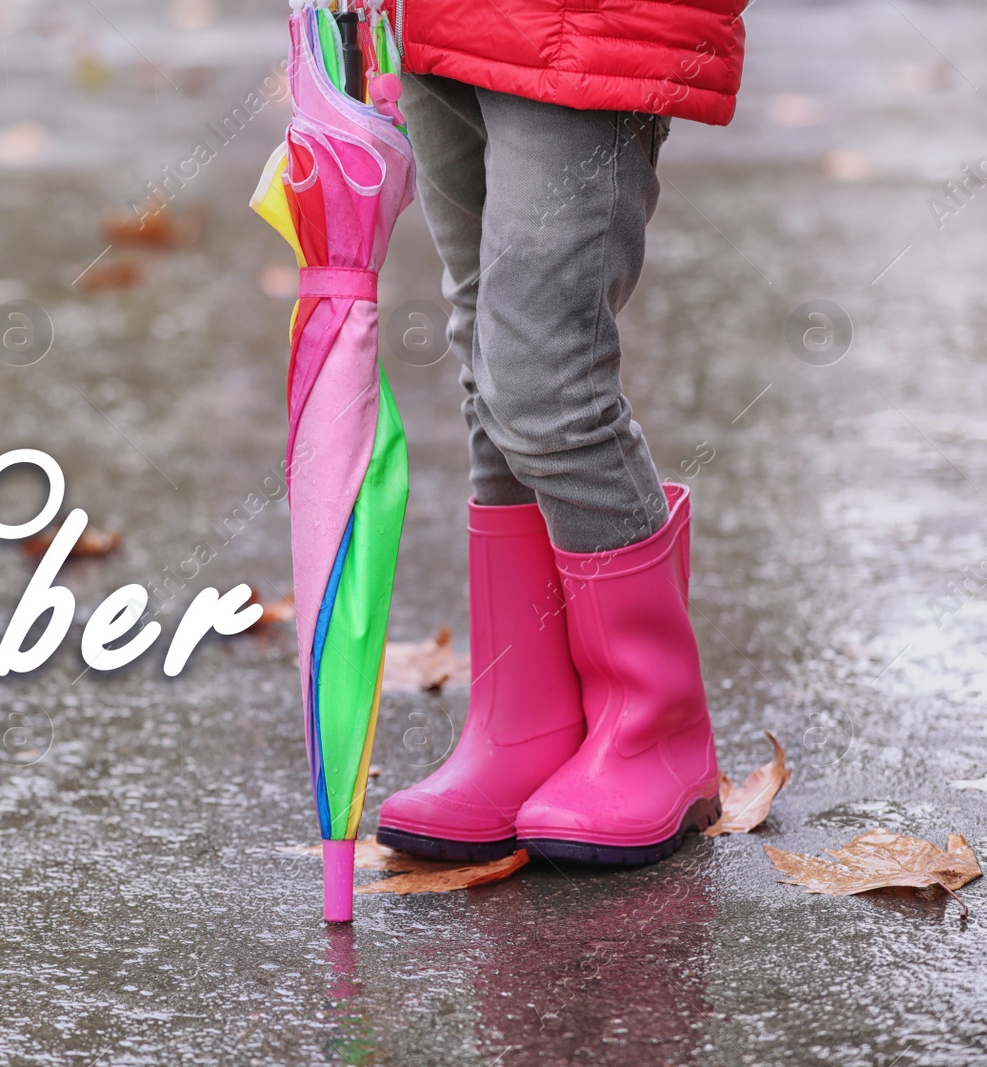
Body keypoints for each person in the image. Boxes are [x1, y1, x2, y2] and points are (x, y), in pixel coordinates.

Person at [375, 0, 749, 865]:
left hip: (582, 23)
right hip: (434, 20)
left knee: (546, 378)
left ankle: (657, 728)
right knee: (489, 356)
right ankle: (525, 721)